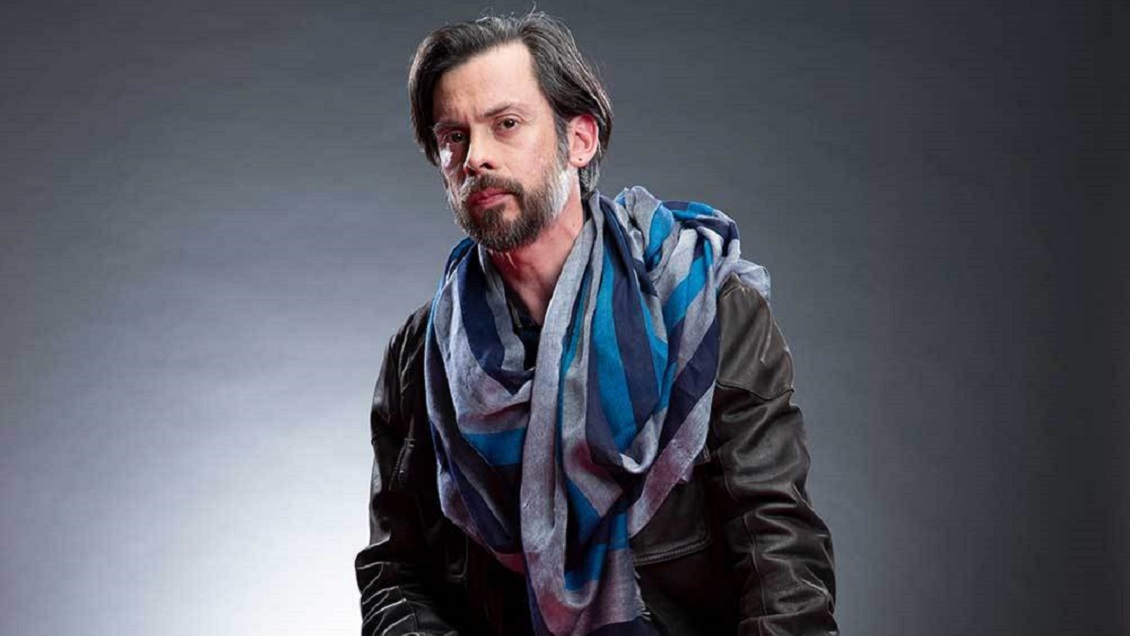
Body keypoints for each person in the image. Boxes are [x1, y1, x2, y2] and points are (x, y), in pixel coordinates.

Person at [355, 11, 836, 636]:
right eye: (454, 137)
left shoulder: (706, 307)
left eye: (506, 124)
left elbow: (780, 553)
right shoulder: (421, 355)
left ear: (579, 140)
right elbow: (395, 573)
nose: (476, 157)